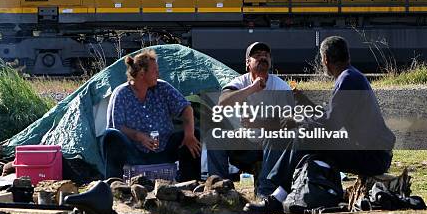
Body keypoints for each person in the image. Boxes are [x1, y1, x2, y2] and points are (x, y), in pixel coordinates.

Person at [245, 36, 396, 214]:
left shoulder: (348, 80)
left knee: (304, 137)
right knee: (306, 135)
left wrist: (298, 121)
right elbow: (329, 117)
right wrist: (306, 103)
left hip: (372, 157)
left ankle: (275, 195)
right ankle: (280, 192)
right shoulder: (351, 76)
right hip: (370, 151)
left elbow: (330, 124)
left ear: (325, 59)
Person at [207, 42, 293, 197]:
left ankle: (265, 193)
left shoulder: (280, 87)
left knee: (275, 138)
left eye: (266, 55)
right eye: (257, 55)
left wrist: (259, 123)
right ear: (247, 63)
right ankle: (220, 189)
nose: (262, 58)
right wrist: (253, 88)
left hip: (270, 148)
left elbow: (289, 122)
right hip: (244, 145)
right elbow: (223, 102)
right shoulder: (240, 82)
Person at [101, 50, 201, 181]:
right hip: (134, 152)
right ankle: (114, 185)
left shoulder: (163, 87)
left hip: (164, 148)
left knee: (193, 137)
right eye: (155, 71)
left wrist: (189, 135)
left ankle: (190, 184)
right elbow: (117, 127)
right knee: (111, 136)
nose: (158, 74)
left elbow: (186, 108)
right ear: (142, 73)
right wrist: (139, 136)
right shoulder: (121, 93)